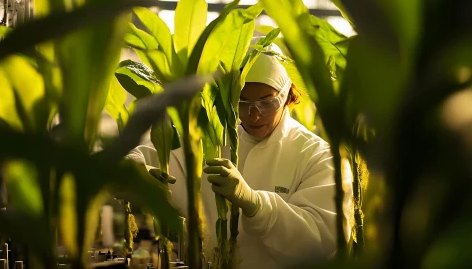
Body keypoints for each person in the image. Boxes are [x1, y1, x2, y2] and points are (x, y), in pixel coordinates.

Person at [128, 38, 353, 268]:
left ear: (286, 95)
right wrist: (133, 169)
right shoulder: (213, 140)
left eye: (267, 103)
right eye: (242, 102)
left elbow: (324, 242)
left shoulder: (317, 156)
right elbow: (141, 157)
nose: (253, 115)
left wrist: (256, 204)